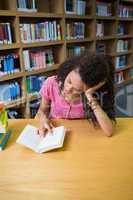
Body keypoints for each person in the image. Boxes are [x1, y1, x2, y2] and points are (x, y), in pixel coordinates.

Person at [36, 53, 115, 137]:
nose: (68, 88)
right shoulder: (51, 83)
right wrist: (43, 118)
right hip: (54, 134)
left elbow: (109, 131)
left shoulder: (95, 95)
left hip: (82, 137)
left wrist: (89, 96)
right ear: (70, 70)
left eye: (77, 89)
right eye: (69, 81)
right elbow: (42, 111)